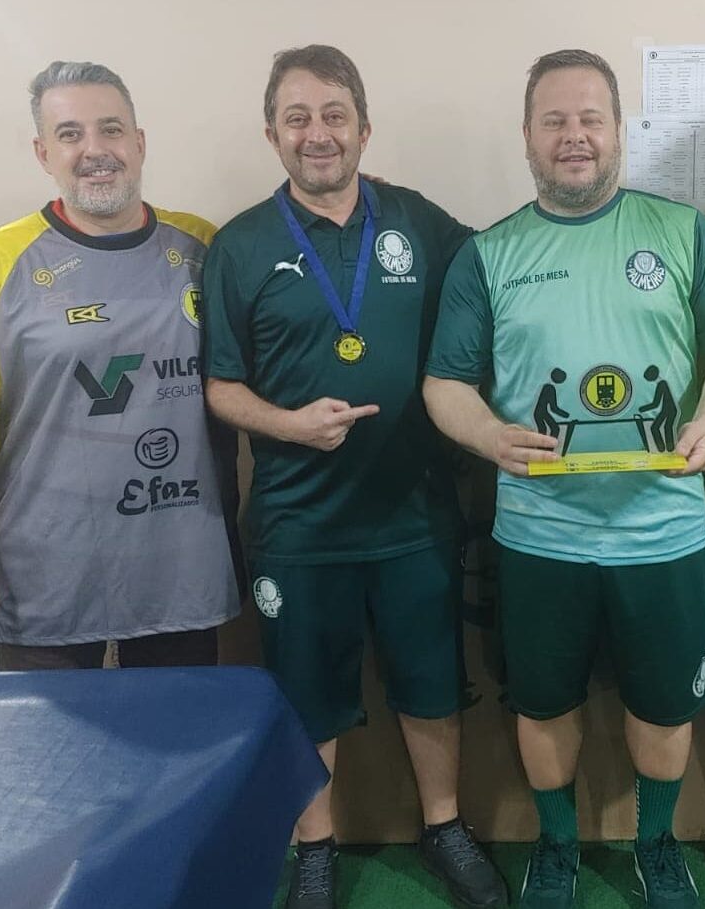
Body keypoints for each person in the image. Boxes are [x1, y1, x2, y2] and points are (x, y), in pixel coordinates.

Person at [422, 48, 705, 909]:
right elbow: (444, 384)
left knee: (664, 709)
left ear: (619, 131)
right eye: (554, 121)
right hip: (540, 535)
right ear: (527, 136)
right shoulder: (488, 253)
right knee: (543, 706)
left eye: (590, 119)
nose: (573, 136)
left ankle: (656, 846)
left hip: (664, 532)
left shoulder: (683, 232)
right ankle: (557, 847)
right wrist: (488, 434)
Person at [201, 44, 504, 909]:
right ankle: (317, 849)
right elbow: (221, 385)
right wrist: (288, 424)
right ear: (272, 134)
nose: (317, 133)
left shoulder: (418, 222)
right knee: (306, 698)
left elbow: (503, 270)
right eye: (296, 118)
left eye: (334, 115)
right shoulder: (240, 245)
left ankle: (444, 827)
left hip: (415, 514)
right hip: (298, 525)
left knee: (431, 686)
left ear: (364, 128)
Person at [0, 60, 239, 671]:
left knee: (179, 729)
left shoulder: (205, 248)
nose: (95, 150)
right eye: (70, 134)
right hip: (47, 571)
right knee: (44, 734)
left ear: (139, 143)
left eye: (111, 129)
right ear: (44, 153)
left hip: (180, 565)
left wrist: (354, 203)